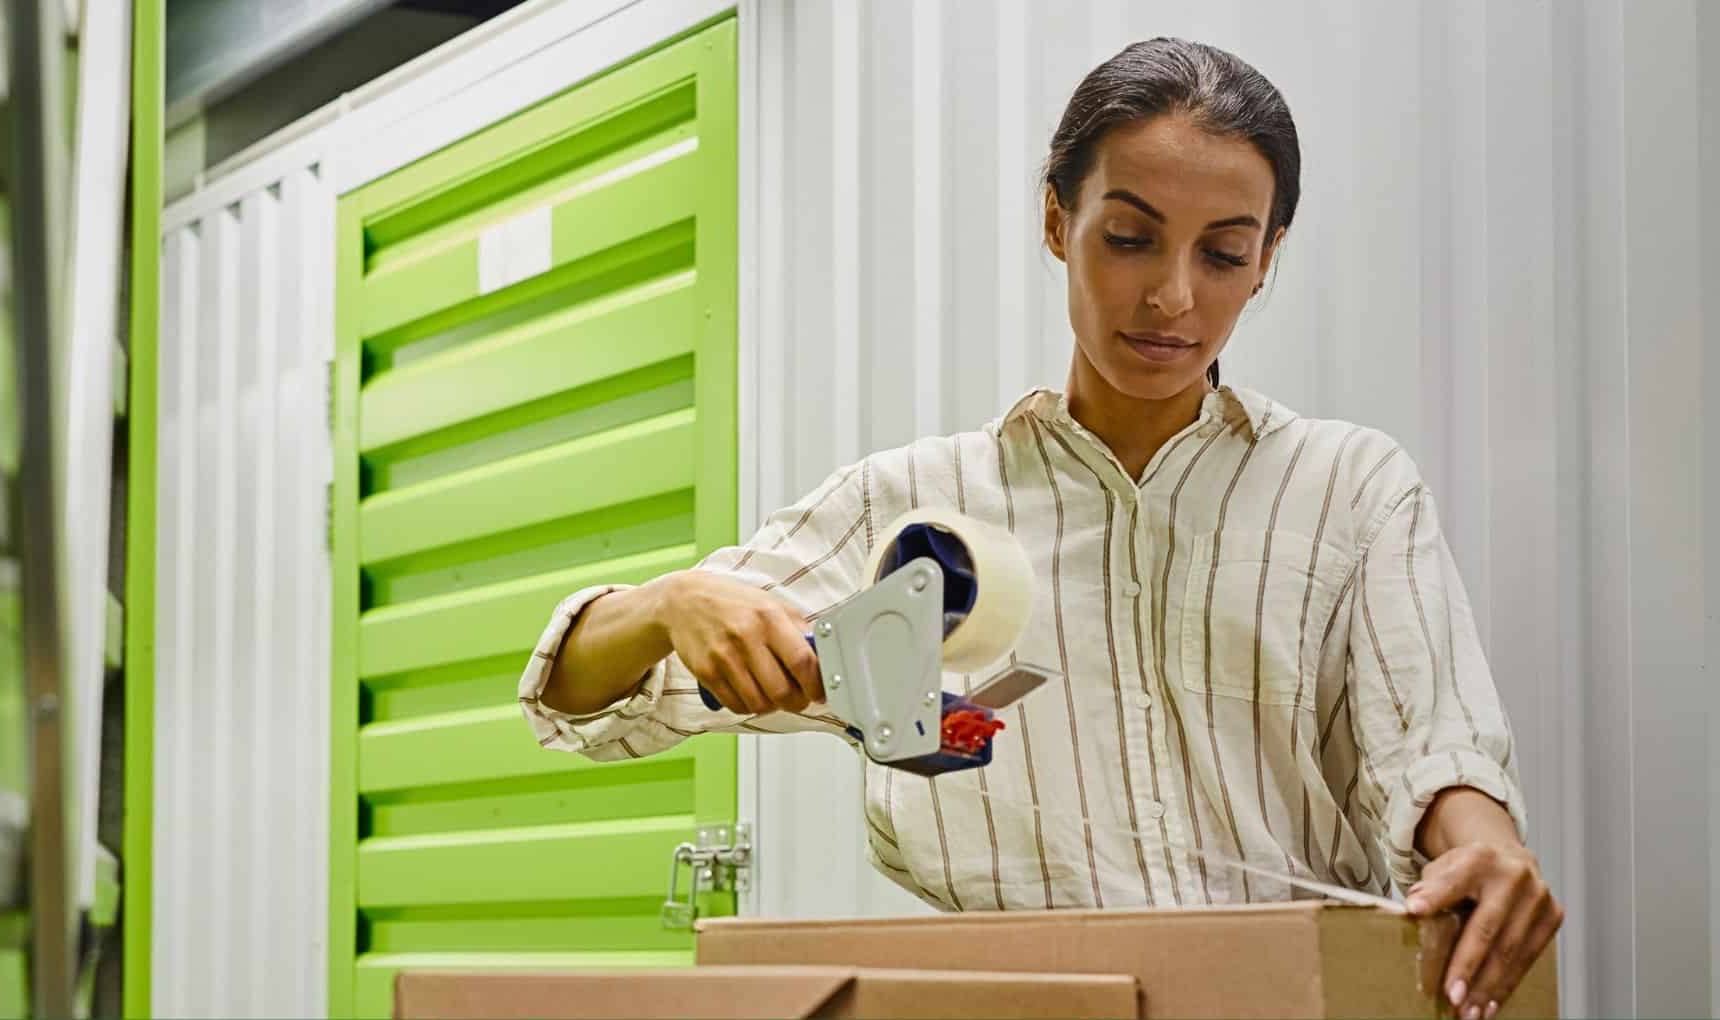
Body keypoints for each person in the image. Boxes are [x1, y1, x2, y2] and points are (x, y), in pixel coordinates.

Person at [518, 37, 1560, 1019]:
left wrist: (1485, 843)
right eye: (1129, 237)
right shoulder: (910, 513)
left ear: (1269, 257)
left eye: (1225, 255)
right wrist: (672, 604)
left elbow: (1430, 746)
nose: (1171, 296)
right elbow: (572, 696)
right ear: (1058, 221)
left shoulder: (1347, 489)